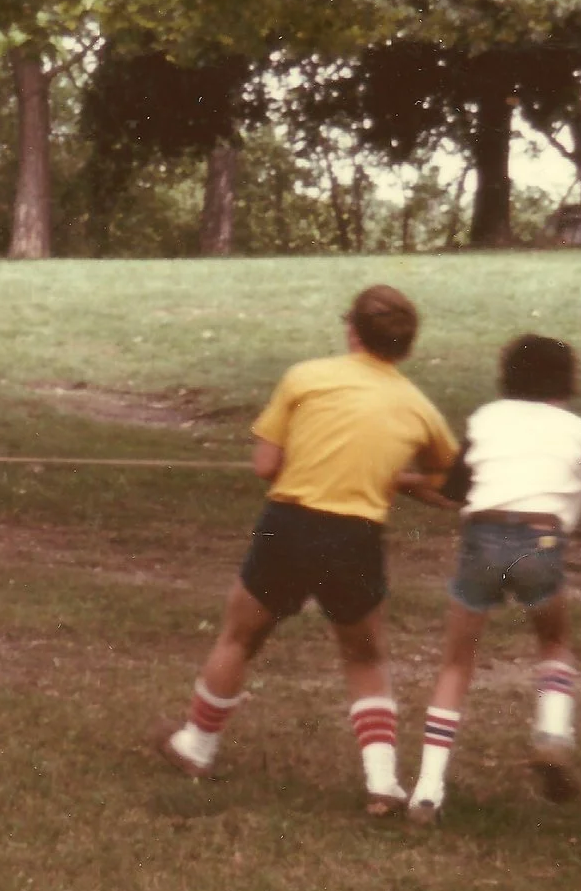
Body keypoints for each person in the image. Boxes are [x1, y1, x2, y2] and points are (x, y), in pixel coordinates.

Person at [153, 286, 458, 809]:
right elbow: (447, 481)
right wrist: (395, 479)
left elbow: (266, 467)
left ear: (352, 331)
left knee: (239, 638)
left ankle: (196, 746)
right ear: (406, 347)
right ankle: (382, 781)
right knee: (365, 655)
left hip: (290, 524)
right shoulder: (418, 407)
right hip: (356, 536)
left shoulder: (306, 377)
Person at [403, 335, 581, 822]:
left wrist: (407, 483)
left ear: (506, 378)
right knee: (554, 639)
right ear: (567, 382)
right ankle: (552, 734)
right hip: (541, 543)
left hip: (483, 536)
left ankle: (427, 790)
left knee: (457, 663)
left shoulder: (485, 420)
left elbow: (456, 490)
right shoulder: (578, 431)